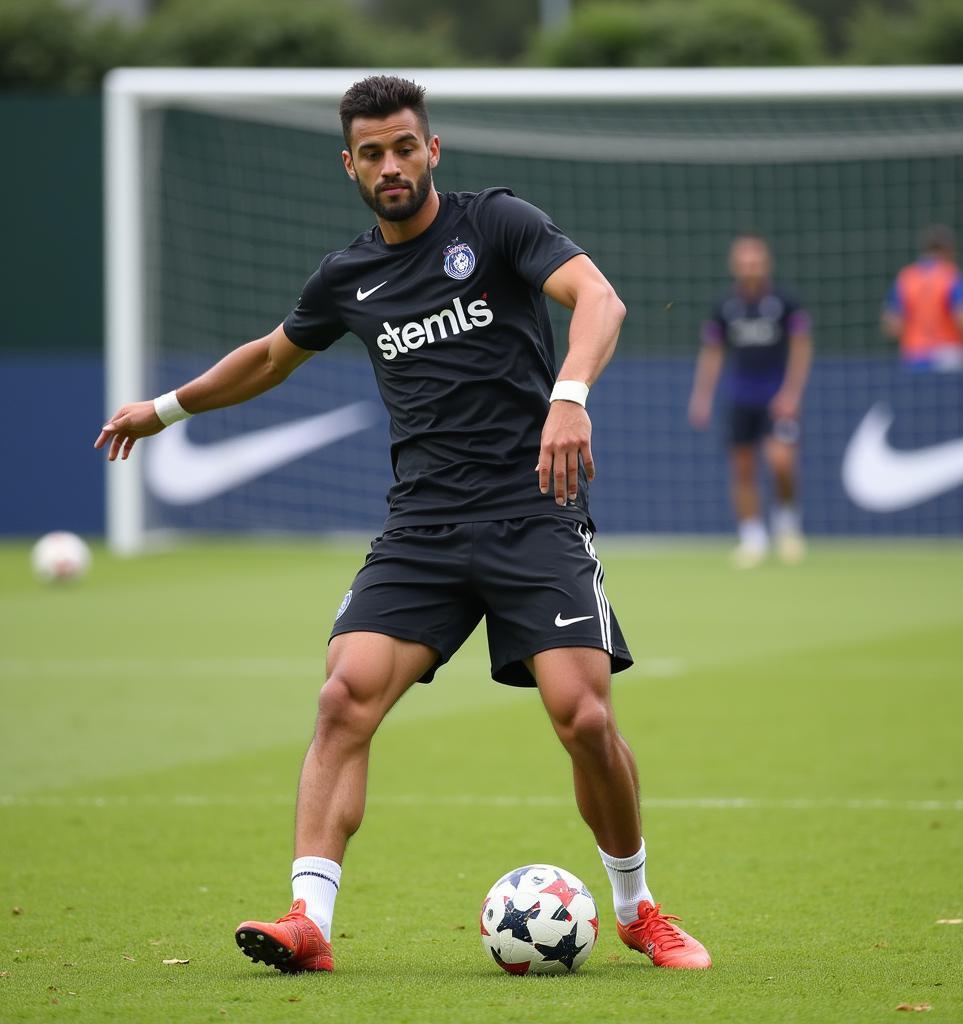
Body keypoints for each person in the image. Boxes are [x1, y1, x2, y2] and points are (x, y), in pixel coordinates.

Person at [95, 75, 711, 973]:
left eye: (405, 146)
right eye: (372, 153)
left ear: (432, 150)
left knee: (581, 715)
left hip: (533, 511)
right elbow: (272, 356)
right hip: (423, 526)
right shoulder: (348, 276)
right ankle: (309, 922)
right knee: (343, 694)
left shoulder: (495, 223)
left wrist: (568, 396)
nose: (392, 165)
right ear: (350, 165)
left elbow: (601, 300)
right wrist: (163, 409)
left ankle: (636, 907)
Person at [688, 235, 813, 568]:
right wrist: (702, 397)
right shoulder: (725, 306)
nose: (750, 268)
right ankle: (752, 537)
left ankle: (787, 526)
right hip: (740, 398)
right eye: (744, 262)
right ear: (734, 266)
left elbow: (801, 347)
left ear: (766, 263)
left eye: (755, 261)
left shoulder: (785, 303)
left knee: (781, 462)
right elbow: (713, 354)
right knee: (742, 468)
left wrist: (791, 393)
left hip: (776, 399)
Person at [882, 224, 963, 372]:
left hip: (914, 357)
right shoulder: (952, 276)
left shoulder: (906, 277)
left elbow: (892, 327)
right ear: (948, 250)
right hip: (948, 357)